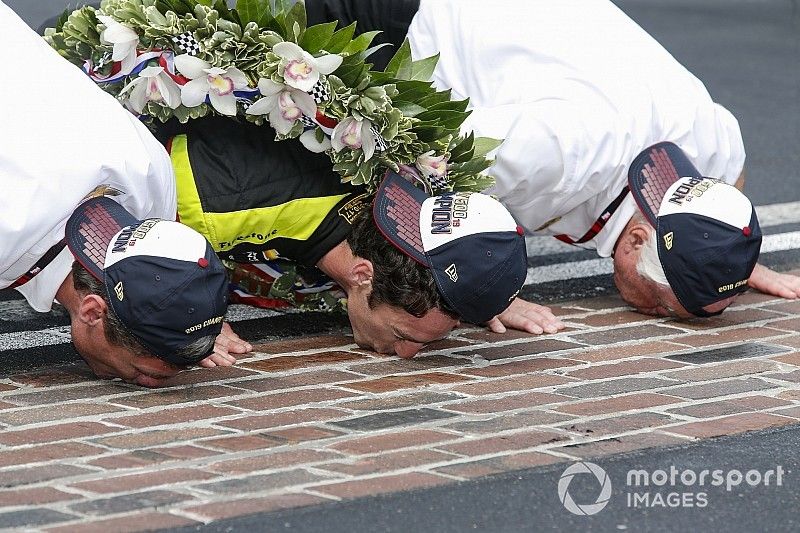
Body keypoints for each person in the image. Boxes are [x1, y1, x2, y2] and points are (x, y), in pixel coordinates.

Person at [307, 0, 800, 317]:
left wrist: (725, 254)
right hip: (416, 15)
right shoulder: (548, 153)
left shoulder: (712, 143)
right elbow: (400, 158)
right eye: (670, 309)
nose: (668, 314)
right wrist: (478, 288)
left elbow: (730, 173)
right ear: (635, 241)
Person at [0, 1, 251, 387]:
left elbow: (166, 269)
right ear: (92, 312)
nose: (155, 386)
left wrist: (188, 318)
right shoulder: (8, 223)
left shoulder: (152, 180)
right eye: (146, 373)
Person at [153, 115, 534, 359]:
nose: (407, 354)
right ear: (363, 275)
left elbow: (449, 253)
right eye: (404, 335)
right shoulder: (224, 200)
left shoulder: (405, 222)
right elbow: (126, 220)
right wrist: (183, 304)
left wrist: (482, 293)